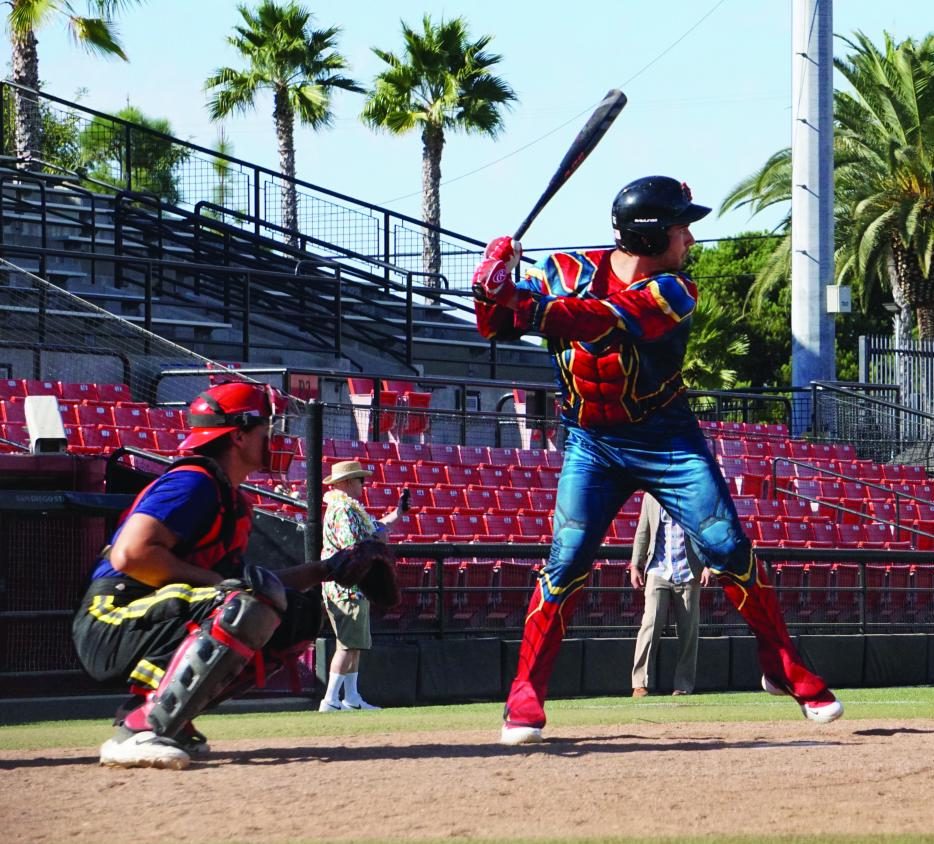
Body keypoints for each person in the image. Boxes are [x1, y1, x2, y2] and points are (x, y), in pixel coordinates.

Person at [472, 175, 843, 745]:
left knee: (729, 548)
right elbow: (496, 327)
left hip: (666, 437)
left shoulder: (676, 290)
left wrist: (515, 294)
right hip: (591, 441)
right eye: (680, 226)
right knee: (565, 563)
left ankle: (785, 668)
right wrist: (488, 287)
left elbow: (598, 322)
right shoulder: (559, 272)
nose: (690, 237)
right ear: (651, 233)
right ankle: (523, 699)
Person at [72, 381, 395, 769]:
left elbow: (247, 583)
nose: (275, 440)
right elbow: (132, 555)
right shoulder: (193, 482)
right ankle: (141, 727)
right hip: (113, 615)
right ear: (239, 436)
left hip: (152, 612)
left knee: (298, 613)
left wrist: (328, 569)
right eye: (266, 431)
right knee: (247, 605)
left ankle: (170, 720)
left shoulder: (227, 495)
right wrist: (223, 586)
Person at [318, 460, 409, 712]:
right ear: (347, 482)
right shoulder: (343, 510)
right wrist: (376, 539)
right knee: (348, 645)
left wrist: (398, 513)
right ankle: (330, 700)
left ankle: (351, 697)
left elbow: (375, 526)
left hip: (355, 586)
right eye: (359, 480)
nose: (363, 484)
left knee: (354, 644)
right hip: (346, 587)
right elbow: (353, 544)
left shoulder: (350, 509)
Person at [630, 493, 712, 697]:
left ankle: (683, 685)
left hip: (689, 571)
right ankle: (640, 683)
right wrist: (636, 565)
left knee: (688, 631)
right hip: (658, 569)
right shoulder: (651, 496)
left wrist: (708, 565)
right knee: (650, 624)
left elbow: (707, 532)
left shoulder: (695, 494)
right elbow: (643, 531)